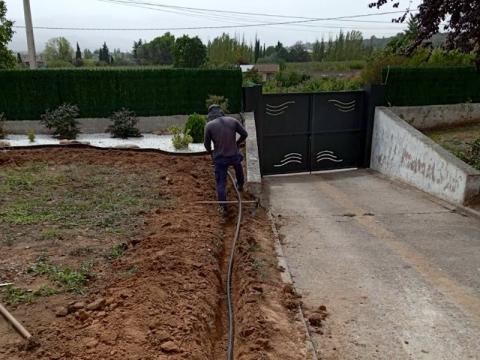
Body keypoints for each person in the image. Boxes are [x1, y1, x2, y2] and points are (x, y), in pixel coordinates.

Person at [204, 104, 248, 215]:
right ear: (221, 112)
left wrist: (211, 153)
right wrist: (237, 143)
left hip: (220, 158)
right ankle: (240, 185)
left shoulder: (209, 126)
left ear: (210, 115)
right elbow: (245, 134)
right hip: (233, 154)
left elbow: (207, 145)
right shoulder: (233, 121)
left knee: (221, 182)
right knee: (238, 167)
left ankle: (223, 207)